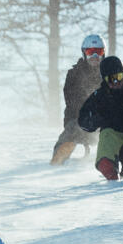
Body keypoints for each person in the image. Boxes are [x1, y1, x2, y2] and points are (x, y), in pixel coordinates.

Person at [50, 34, 105, 165]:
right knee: (71, 131)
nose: (95, 57)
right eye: (91, 52)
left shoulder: (108, 72)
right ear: (84, 53)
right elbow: (71, 100)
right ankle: (57, 161)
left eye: (99, 52)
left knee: (115, 131)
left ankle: (115, 161)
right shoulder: (74, 74)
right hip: (79, 119)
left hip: (104, 121)